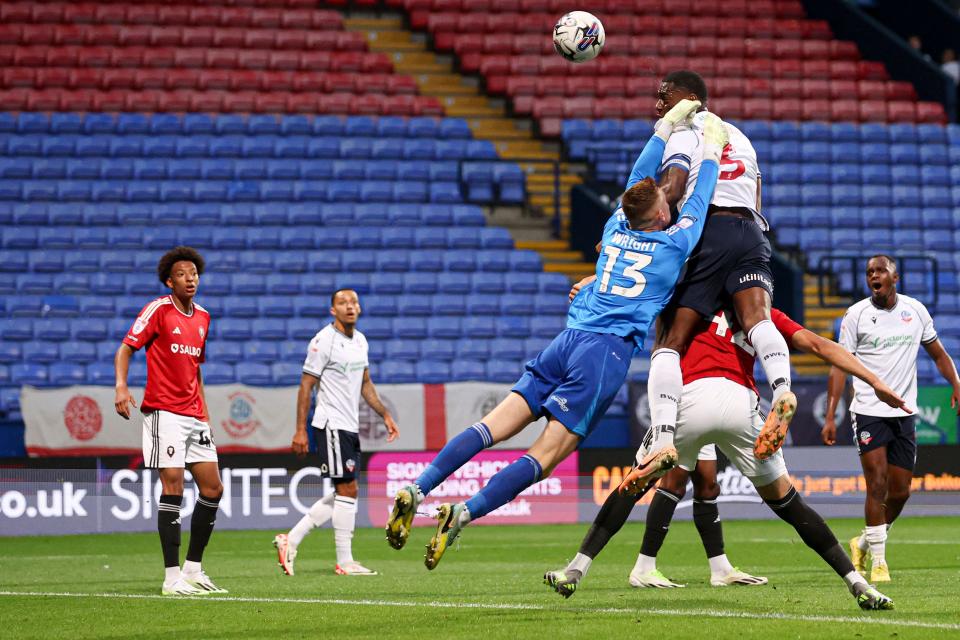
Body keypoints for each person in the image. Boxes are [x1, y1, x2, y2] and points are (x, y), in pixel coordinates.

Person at [382, 101, 726, 570]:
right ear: (660, 214)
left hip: (566, 340)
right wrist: (712, 146)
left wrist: (663, 129)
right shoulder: (673, 242)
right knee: (544, 457)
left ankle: (418, 487)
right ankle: (464, 513)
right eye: (665, 203)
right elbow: (701, 197)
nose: (670, 204)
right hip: (604, 353)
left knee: (489, 427)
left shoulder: (615, 225)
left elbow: (636, 180)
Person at [545, 298, 905, 610]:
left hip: (688, 399)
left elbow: (633, 288)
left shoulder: (687, 302)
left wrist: (592, 284)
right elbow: (817, 344)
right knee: (790, 504)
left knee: (632, 486)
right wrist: (875, 381)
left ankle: (576, 569)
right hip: (740, 403)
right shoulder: (758, 311)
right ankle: (857, 583)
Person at [635, 71, 798, 489]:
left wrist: (634, 222)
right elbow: (757, 199)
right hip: (751, 232)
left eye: (665, 97)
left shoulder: (685, 131)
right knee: (758, 319)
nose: (659, 105)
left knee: (670, 339)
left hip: (709, 229)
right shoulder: (740, 136)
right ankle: (782, 390)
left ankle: (663, 439)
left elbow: (672, 189)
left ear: (691, 99)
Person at [823, 255, 960, 583]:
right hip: (868, 411)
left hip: (904, 412)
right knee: (877, 483)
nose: (874, 275)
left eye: (880, 270)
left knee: (900, 492)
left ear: (894, 278)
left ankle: (862, 544)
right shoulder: (856, 315)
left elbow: (938, 354)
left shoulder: (915, 311)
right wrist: (830, 414)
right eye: (869, 272)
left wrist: (956, 383)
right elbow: (839, 365)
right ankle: (880, 563)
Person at [114, 246, 225, 596]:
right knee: (173, 486)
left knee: (213, 488)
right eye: (181, 274)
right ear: (169, 281)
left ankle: (193, 569)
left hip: (194, 415)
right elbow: (126, 348)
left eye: (194, 273)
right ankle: (171, 577)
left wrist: (205, 413)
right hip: (164, 412)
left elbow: (195, 369)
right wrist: (121, 387)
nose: (190, 279)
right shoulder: (158, 310)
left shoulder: (203, 317)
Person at [272, 288, 399, 576]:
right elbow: (306, 385)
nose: (349, 306)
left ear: (359, 308)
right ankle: (345, 560)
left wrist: (384, 414)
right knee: (347, 489)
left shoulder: (361, 341)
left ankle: (291, 540)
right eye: (342, 303)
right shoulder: (323, 341)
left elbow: (365, 383)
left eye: (354, 302)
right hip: (331, 423)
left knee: (346, 491)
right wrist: (300, 430)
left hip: (349, 425)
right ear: (333, 310)